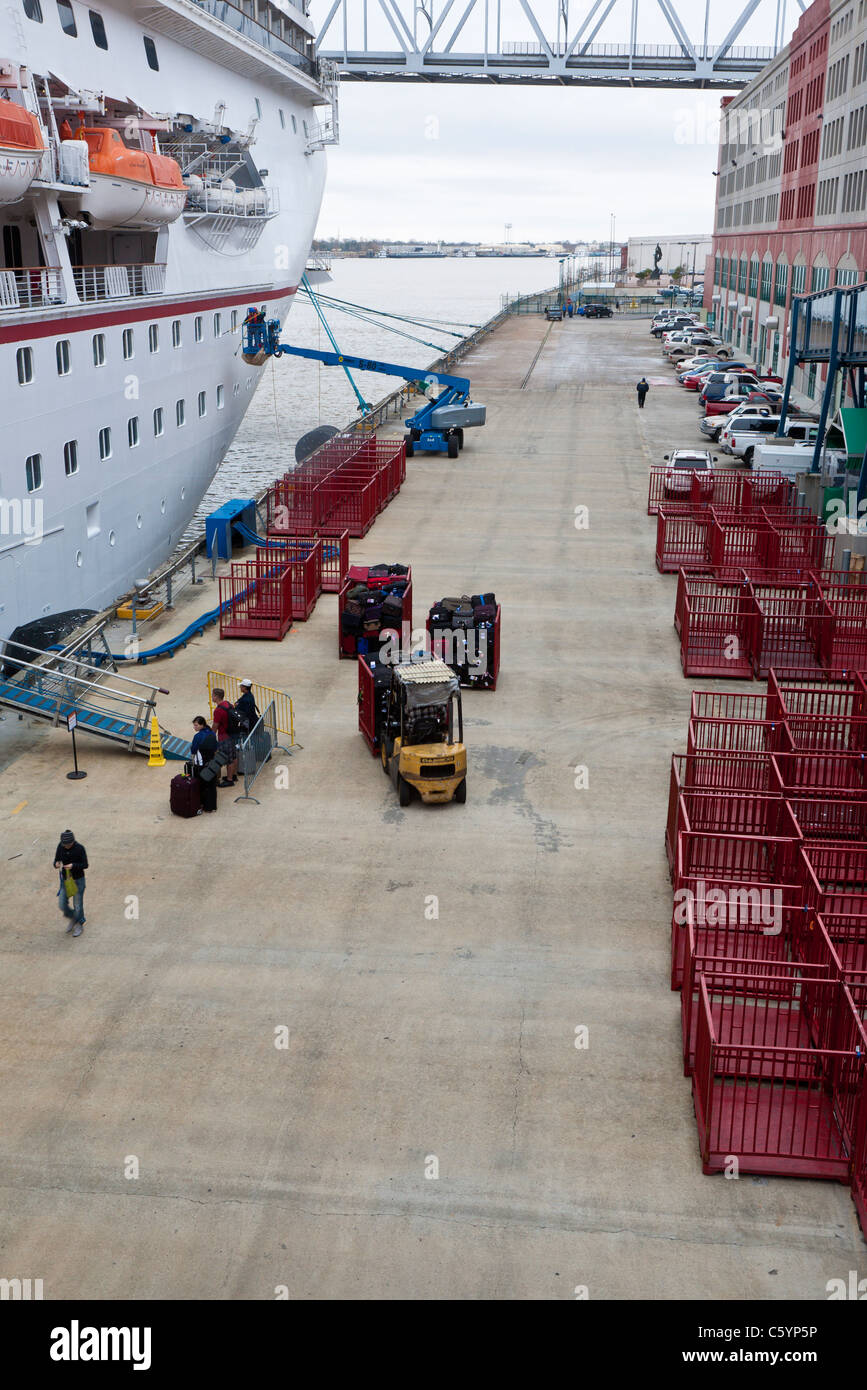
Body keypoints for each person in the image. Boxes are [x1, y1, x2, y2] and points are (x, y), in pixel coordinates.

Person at [53, 829, 88, 937]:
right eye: (65, 844)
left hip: (78, 880)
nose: (66, 846)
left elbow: (85, 865)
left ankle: (79, 924)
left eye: (68, 844)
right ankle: (74, 917)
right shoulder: (61, 846)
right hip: (66, 880)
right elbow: (56, 859)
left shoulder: (80, 848)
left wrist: (73, 865)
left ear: (73, 842)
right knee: (62, 904)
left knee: (78, 905)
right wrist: (56, 864)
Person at [211, 687, 238, 788]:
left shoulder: (218, 710)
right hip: (232, 734)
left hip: (224, 736)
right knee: (234, 755)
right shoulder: (228, 704)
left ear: (216, 697)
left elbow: (215, 726)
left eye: (212, 695)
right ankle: (234, 775)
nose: (211, 697)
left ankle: (230, 780)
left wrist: (210, 736)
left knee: (228, 759)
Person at [191, 716, 218, 813]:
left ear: (202, 725)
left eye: (196, 725)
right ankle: (212, 806)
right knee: (211, 785)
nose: (194, 727)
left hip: (201, 764)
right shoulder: (211, 733)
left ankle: (204, 805)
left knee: (202, 785)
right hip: (212, 763)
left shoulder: (197, 736)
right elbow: (216, 747)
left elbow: (193, 750)